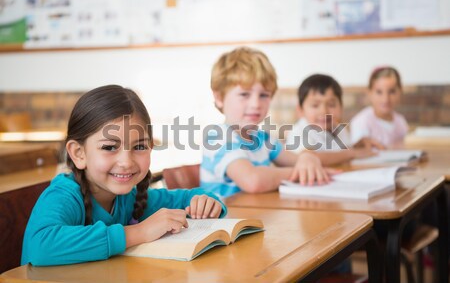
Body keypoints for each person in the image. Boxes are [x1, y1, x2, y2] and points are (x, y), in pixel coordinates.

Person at [22, 85, 226, 266]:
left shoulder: (132, 197)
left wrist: (207, 203)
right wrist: (139, 232)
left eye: (139, 146)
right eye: (110, 147)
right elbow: (41, 246)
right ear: (79, 153)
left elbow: (185, 199)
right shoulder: (64, 196)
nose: (126, 162)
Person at [200, 47, 334, 198]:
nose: (256, 104)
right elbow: (253, 180)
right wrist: (301, 172)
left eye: (264, 95)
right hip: (227, 220)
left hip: (255, 215)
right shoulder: (218, 138)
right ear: (219, 98)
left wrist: (307, 158)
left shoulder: (263, 138)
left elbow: (295, 159)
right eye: (244, 94)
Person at [285, 74, 383, 166]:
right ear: (300, 110)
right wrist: (351, 153)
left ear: (341, 107)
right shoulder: (299, 132)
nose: (324, 111)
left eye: (331, 105)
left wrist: (358, 145)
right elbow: (311, 158)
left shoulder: (338, 129)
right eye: (315, 105)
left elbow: (344, 152)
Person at [350, 66, 408, 148]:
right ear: (369, 93)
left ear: (400, 92)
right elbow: (356, 149)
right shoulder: (361, 121)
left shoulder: (401, 122)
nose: (385, 99)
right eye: (379, 92)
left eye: (392, 91)